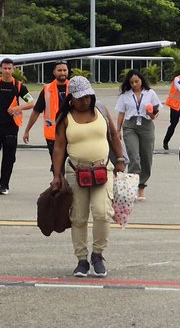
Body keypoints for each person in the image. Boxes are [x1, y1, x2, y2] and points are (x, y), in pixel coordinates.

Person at [50, 75, 128, 277]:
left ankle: (98, 254)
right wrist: (57, 174)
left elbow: (113, 136)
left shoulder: (101, 109)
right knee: (78, 217)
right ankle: (82, 260)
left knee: (103, 213)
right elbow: (59, 147)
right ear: (71, 98)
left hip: (103, 169)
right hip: (76, 171)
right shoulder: (64, 118)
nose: (84, 101)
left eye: (87, 96)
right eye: (79, 98)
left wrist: (120, 159)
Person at [0, 59, 32, 195]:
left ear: (13, 70)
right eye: (5, 68)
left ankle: (4, 185)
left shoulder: (19, 86)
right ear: (0, 70)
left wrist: (18, 108)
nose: (7, 71)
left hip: (11, 127)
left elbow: (31, 102)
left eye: (10, 68)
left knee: (9, 157)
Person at [114, 70, 162, 200]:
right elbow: (121, 113)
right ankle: (132, 188)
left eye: (137, 81)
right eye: (132, 82)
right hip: (130, 126)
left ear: (141, 80)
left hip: (146, 124)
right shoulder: (125, 95)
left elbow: (155, 112)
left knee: (146, 157)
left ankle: (141, 186)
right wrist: (117, 130)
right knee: (134, 157)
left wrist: (152, 114)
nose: (135, 84)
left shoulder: (150, 93)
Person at [23, 61, 70, 156]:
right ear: (54, 72)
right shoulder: (47, 90)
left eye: (64, 70)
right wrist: (27, 130)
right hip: (53, 136)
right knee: (57, 166)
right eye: (59, 70)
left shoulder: (74, 88)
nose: (62, 73)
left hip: (71, 133)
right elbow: (36, 112)